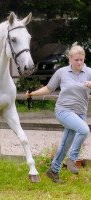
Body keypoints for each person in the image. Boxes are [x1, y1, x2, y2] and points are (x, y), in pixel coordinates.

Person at [26, 44, 91, 183]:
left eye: (82, 59)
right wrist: (32, 94)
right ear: (70, 59)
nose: (79, 62)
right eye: (76, 60)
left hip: (80, 113)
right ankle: (72, 160)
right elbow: (49, 88)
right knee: (84, 130)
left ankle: (53, 171)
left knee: (65, 144)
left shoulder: (89, 72)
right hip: (63, 110)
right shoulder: (61, 72)